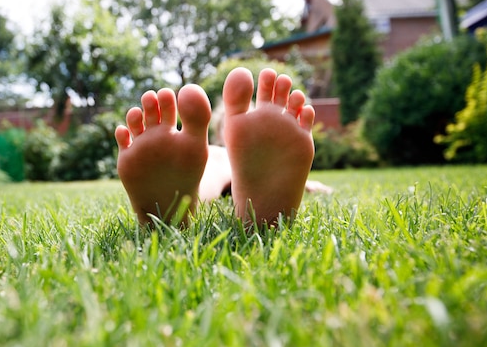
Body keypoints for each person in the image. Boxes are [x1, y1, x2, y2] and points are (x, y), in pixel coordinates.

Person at [115, 67, 330, 228]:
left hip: (222, 162)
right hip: (221, 158)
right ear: (222, 135)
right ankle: (179, 203)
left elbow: (282, 171)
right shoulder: (215, 152)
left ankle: (175, 209)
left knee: (212, 165)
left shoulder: (216, 154)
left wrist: (307, 183)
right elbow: (281, 168)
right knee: (213, 161)